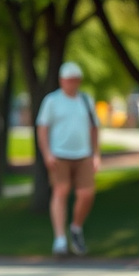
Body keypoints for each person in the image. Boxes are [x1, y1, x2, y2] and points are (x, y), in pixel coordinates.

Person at [36, 62, 100, 257]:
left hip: (83, 154)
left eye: (74, 80)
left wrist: (96, 153)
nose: (71, 84)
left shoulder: (86, 101)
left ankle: (76, 227)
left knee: (86, 193)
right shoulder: (52, 101)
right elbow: (42, 128)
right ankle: (60, 239)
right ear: (61, 81)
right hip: (60, 154)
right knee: (61, 190)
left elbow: (94, 128)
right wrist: (47, 153)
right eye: (67, 80)